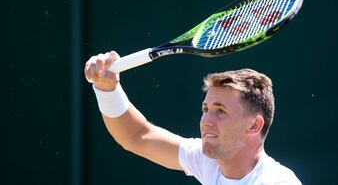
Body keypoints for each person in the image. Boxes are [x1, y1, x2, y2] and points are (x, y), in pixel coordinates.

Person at [84, 51, 302, 185]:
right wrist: (107, 90)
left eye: (220, 111)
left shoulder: (277, 182)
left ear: (254, 125)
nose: (206, 120)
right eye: (205, 108)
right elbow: (137, 136)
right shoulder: (207, 162)